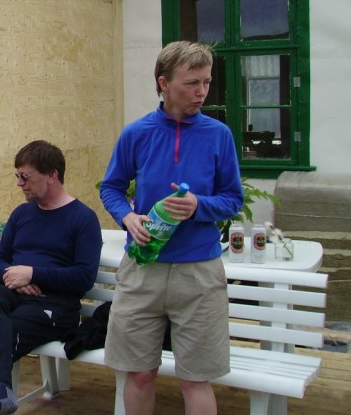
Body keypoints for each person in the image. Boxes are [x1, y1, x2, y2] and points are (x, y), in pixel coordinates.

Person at [100, 41, 244, 415]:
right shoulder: (136, 133)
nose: (202, 92)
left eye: (206, 82)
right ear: (163, 83)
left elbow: (233, 199)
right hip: (142, 269)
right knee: (139, 374)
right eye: (191, 83)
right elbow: (111, 187)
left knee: (195, 380)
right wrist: (127, 217)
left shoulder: (218, 135)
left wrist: (198, 206)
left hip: (199, 274)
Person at [0, 140, 103, 415]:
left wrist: (33, 273)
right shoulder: (22, 214)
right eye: (17, 176)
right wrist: (15, 278)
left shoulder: (83, 218)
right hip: (16, 294)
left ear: (52, 175)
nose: (19, 183)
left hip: (55, 306)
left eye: (25, 176)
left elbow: (84, 277)